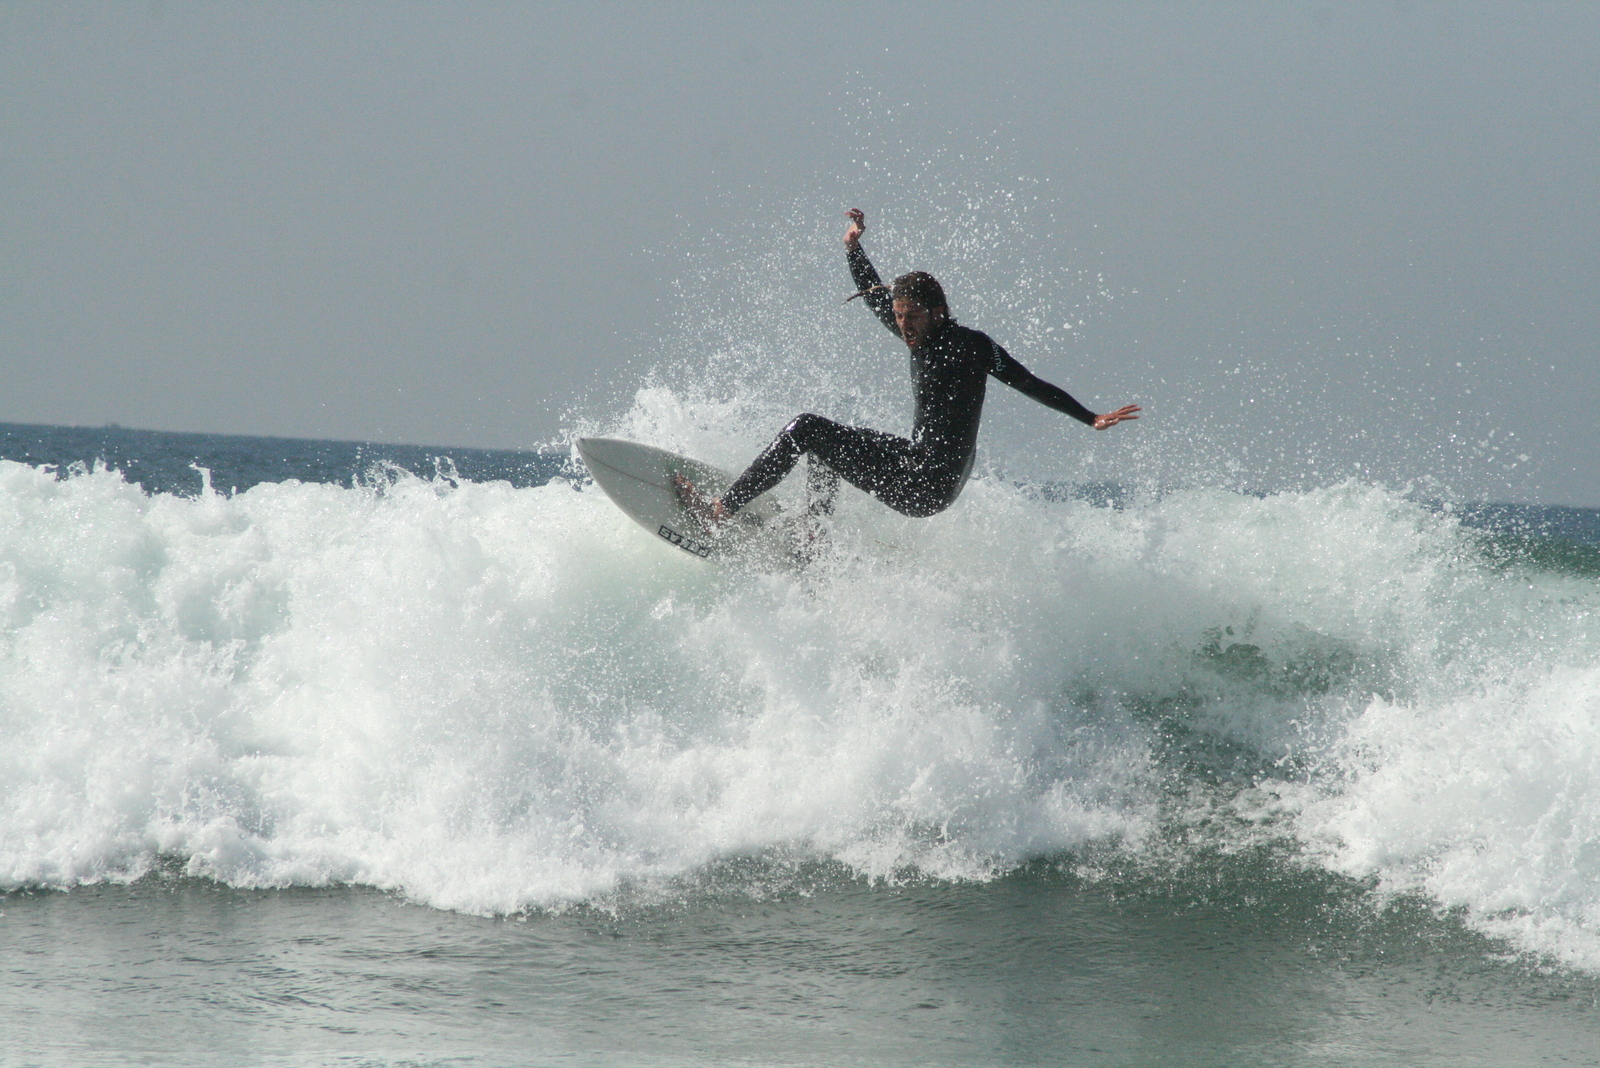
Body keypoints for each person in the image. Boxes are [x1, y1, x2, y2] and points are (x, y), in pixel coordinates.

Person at [675, 208, 1141, 529]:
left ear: (937, 310)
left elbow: (1029, 383)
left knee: (805, 429)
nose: (903, 326)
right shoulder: (912, 331)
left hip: (927, 483)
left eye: (912, 317)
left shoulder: (971, 346)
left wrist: (1090, 417)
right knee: (824, 443)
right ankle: (812, 534)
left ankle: (720, 512)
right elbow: (875, 295)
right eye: (899, 318)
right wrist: (853, 247)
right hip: (919, 465)